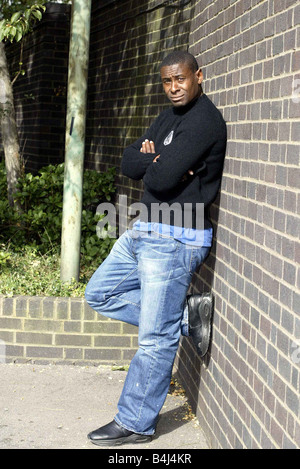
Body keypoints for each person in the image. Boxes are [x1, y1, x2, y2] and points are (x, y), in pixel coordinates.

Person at [85, 50, 227, 446]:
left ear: (198, 76)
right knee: (99, 293)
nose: (173, 87)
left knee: (153, 339)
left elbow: (161, 179)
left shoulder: (204, 121)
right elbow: (130, 162)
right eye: (167, 81)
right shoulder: (168, 117)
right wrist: (157, 162)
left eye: (180, 79)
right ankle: (185, 319)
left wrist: (158, 163)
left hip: (176, 239)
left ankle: (135, 423)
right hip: (143, 231)